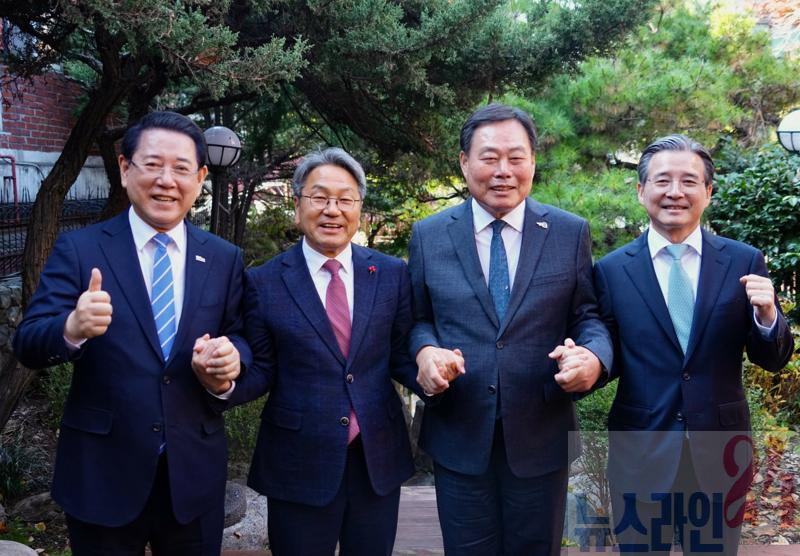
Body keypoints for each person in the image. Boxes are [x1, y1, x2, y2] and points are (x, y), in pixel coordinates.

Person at [13, 111, 250, 556]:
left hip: (193, 477)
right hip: (102, 473)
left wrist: (230, 360)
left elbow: (241, 338)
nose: (166, 180)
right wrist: (71, 328)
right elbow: (28, 342)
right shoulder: (80, 248)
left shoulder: (223, 258)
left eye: (181, 168)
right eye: (152, 164)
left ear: (200, 178)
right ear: (125, 169)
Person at [408, 103, 613, 556]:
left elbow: (587, 316)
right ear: (464, 163)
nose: (503, 170)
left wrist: (593, 358)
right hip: (459, 431)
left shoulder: (568, 232)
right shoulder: (429, 235)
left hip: (541, 432)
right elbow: (417, 319)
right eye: (489, 157)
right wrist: (425, 353)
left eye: (516, 157)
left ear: (532, 163)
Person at [593, 134, 794, 555]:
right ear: (641, 190)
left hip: (720, 453)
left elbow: (773, 359)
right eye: (662, 180)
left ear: (708, 191)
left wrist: (767, 316)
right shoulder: (610, 271)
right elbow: (605, 353)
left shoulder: (743, 261)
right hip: (640, 451)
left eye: (688, 181)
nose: (675, 192)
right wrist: (585, 360)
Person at [229, 147, 427, 556]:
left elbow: (401, 355)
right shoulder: (264, 282)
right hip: (298, 460)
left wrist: (434, 375)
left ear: (359, 208)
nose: (332, 210)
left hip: (376, 457)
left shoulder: (390, 273)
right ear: (297, 205)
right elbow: (262, 368)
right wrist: (221, 381)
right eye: (319, 197)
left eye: (345, 199)